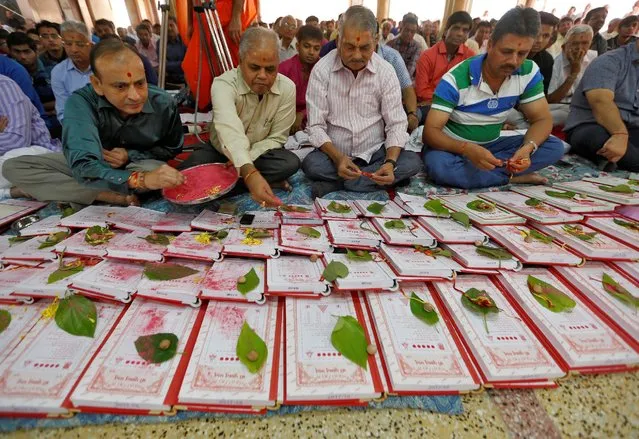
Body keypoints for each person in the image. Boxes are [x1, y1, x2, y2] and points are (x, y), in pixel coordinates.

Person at [3, 39, 185, 205]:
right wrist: (139, 180)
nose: (135, 96)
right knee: (15, 167)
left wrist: (130, 155)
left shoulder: (163, 102)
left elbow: (172, 148)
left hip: (139, 165)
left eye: (140, 83)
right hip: (95, 165)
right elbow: (83, 164)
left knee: (155, 170)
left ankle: (73, 192)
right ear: (97, 84)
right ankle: (105, 195)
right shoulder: (81, 102)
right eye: (120, 86)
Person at [422, 7, 564, 189]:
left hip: (494, 144)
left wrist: (527, 149)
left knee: (554, 146)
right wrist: (467, 149)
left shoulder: (528, 72)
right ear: (490, 45)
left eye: (522, 54)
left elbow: (542, 119)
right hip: (454, 148)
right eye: (506, 51)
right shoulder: (456, 79)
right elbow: (431, 132)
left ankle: (489, 172)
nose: (513, 61)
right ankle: (509, 176)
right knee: (440, 167)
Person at [303, 6, 422, 197]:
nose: (357, 55)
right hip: (334, 156)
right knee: (311, 164)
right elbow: (315, 126)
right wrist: (338, 158)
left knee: (413, 162)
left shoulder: (385, 71)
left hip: (375, 153)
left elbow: (396, 124)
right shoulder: (321, 70)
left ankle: (339, 184)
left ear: (375, 41)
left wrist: (390, 163)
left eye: (365, 48)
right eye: (349, 47)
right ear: (338, 40)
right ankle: (372, 182)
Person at [178, 27, 300, 207]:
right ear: (240, 61)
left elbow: (277, 137)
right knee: (184, 175)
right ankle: (254, 183)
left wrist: (247, 160)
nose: (262, 76)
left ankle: (220, 186)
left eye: (270, 69)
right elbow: (230, 132)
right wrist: (249, 173)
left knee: (290, 163)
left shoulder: (287, 88)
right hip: (221, 152)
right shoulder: (223, 84)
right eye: (254, 67)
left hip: (259, 154)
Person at [564, 39, 639, 172]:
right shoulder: (610, 61)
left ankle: (613, 161)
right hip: (592, 125)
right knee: (601, 141)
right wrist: (620, 134)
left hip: (632, 128)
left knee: (626, 152)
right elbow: (601, 102)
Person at [0, 74, 61, 198]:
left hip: (33, 160)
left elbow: (16, 142)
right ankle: (9, 193)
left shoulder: (4, 86)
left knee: (12, 160)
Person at [415, 11, 474, 124]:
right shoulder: (427, 56)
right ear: (446, 30)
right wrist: (447, 100)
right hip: (431, 105)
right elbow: (421, 91)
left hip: (460, 108)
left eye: (465, 30)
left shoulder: (470, 57)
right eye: (456, 28)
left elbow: (473, 89)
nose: (460, 34)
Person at [6, 32, 59, 134]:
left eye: (27, 52)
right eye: (16, 52)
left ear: (36, 51)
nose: (22, 57)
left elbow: (64, 99)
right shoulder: (10, 76)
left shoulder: (52, 69)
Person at [547, 25, 597, 127]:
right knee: (540, 111)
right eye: (574, 43)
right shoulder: (555, 63)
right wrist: (573, 73)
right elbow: (551, 100)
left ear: (590, 44)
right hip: (558, 106)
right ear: (564, 46)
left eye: (585, 43)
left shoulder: (594, 59)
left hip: (582, 107)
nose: (579, 48)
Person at [279, 25, 322, 133]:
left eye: (316, 48)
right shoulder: (284, 69)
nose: (311, 52)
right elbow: (276, 102)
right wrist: (292, 117)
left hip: (316, 120)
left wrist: (302, 114)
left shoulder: (323, 69)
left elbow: (325, 101)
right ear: (298, 46)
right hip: (285, 120)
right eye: (307, 46)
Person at [50, 20, 93, 123]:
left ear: (90, 45)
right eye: (68, 44)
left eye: (80, 44)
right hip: (79, 125)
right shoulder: (58, 72)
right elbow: (63, 111)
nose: (74, 50)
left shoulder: (103, 65)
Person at [529, 12, 559, 95]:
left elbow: (541, 93)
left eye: (546, 36)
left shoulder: (547, 60)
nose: (539, 40)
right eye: (535, 34)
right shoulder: (510, 54)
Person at [160, 17, 187, 86]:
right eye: (166, 26)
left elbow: (188, 62)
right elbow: (164, 65)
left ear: (177, 26)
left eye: (171, 25)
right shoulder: (161, 43)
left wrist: (170, 65)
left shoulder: (184, 39)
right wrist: (181, 63)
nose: (169, 29)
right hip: (170, 81)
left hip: (186, 77)